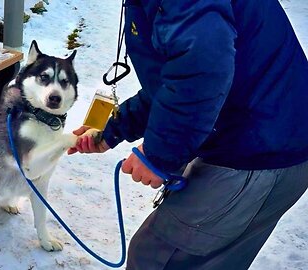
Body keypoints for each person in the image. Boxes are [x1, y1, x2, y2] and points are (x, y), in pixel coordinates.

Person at [68, 0, 308, 269]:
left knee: (153, 259)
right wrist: (113, 130)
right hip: (277, 144)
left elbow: (202, 70)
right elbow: (176, 76)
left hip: (254, 153)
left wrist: (159, 155)